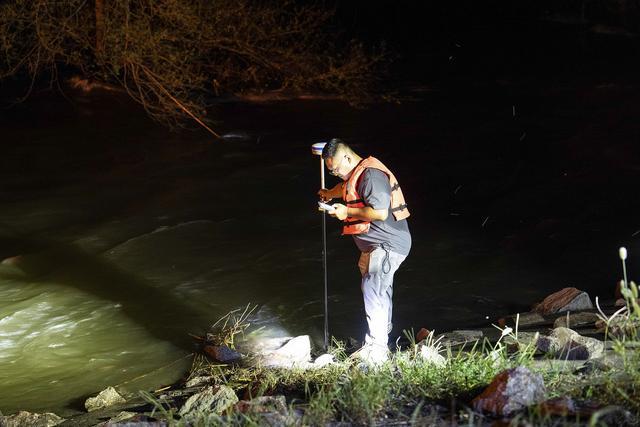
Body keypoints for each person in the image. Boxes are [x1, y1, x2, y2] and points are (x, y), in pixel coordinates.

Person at [318, 138, 411, 365]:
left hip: (387, 244)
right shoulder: (354, 173)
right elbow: (346, 186)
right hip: (375, 245)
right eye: (331, 171)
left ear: (348, 158)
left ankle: (376, 347)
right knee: (379, 289)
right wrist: (330, 194)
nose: (336, 173)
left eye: (336, 169)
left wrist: (346, 211)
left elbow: (379, 212)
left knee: (373, 289)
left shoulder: (371, 175)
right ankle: (382, 341)